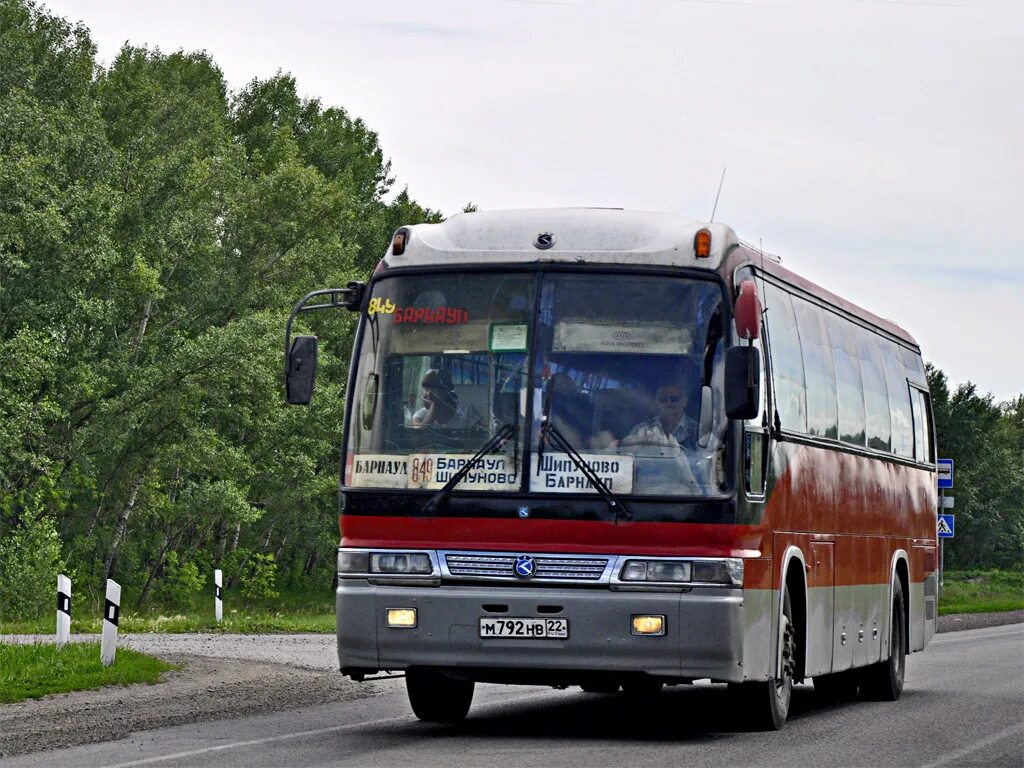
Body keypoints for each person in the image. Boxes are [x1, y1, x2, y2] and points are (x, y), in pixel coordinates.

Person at [619, 381, 697, 449]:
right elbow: (625, 450)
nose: (668, 403)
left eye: (674, 399)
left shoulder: (697, 431)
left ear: (684, 402)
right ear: (656, 403)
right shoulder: (641, 429)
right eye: (663, 399)